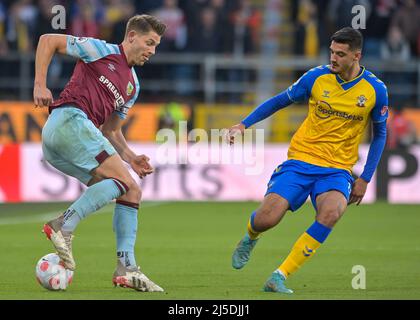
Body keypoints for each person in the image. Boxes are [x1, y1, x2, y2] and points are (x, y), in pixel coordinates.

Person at [227, 27, 388, 294]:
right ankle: (251, 236)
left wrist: (365, 178)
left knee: (332, 213)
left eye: (340, 54)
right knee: (267, 218)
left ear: (356, 55)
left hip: (337, 169)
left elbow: (380, 134)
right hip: (301, 159)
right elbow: (279, 101)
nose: (333, 58)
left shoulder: (375, 90)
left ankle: (279, 276)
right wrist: (244, 124)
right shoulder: (316, 78)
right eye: (332, 52)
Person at [33, 14, 166, 292]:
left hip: (69, 140)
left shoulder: (133, 87)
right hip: (70, 120)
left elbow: (111, 130)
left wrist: (131, 157)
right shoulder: (101, 50)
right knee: (126, 183)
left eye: (156, 46)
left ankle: (126, 268)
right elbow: (48, 40)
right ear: (132, 37)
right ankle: (63, 225)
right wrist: (40, 84)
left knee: (129, 190)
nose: (152, 50)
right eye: (149, 42)